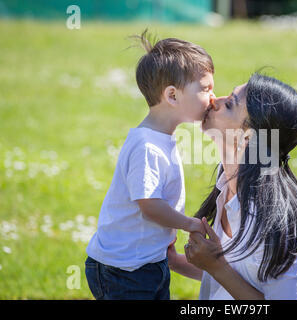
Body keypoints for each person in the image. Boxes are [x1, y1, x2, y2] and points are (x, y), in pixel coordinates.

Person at [168, 73, 297, 299]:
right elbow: (243, 275)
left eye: (229, 104)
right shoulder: (229, 185)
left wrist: (216, 266)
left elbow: (227, 273)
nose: (214, 101)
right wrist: (174, 261)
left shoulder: (277, 221)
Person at [84, 30, 215, 300]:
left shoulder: (160, 138)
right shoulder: (148, 146)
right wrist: (188, 224)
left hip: (145, 261)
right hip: (124, 271)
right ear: (172, 96)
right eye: (205, 88)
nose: (213, 97)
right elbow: (150, 205)